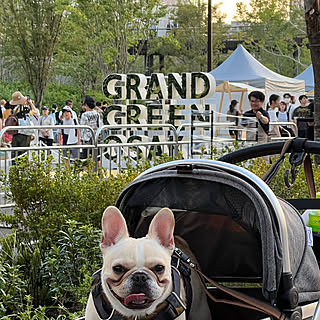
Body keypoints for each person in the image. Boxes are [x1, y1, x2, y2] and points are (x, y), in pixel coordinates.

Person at [9, 91, 36, 159]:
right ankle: (22, 169)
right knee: (23, 155)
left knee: (15, 154)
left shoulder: (15, 109)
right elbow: (36, 112)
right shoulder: (25, 110)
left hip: (16, 133)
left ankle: (14, 168)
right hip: (25, 133)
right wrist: (31, 104)